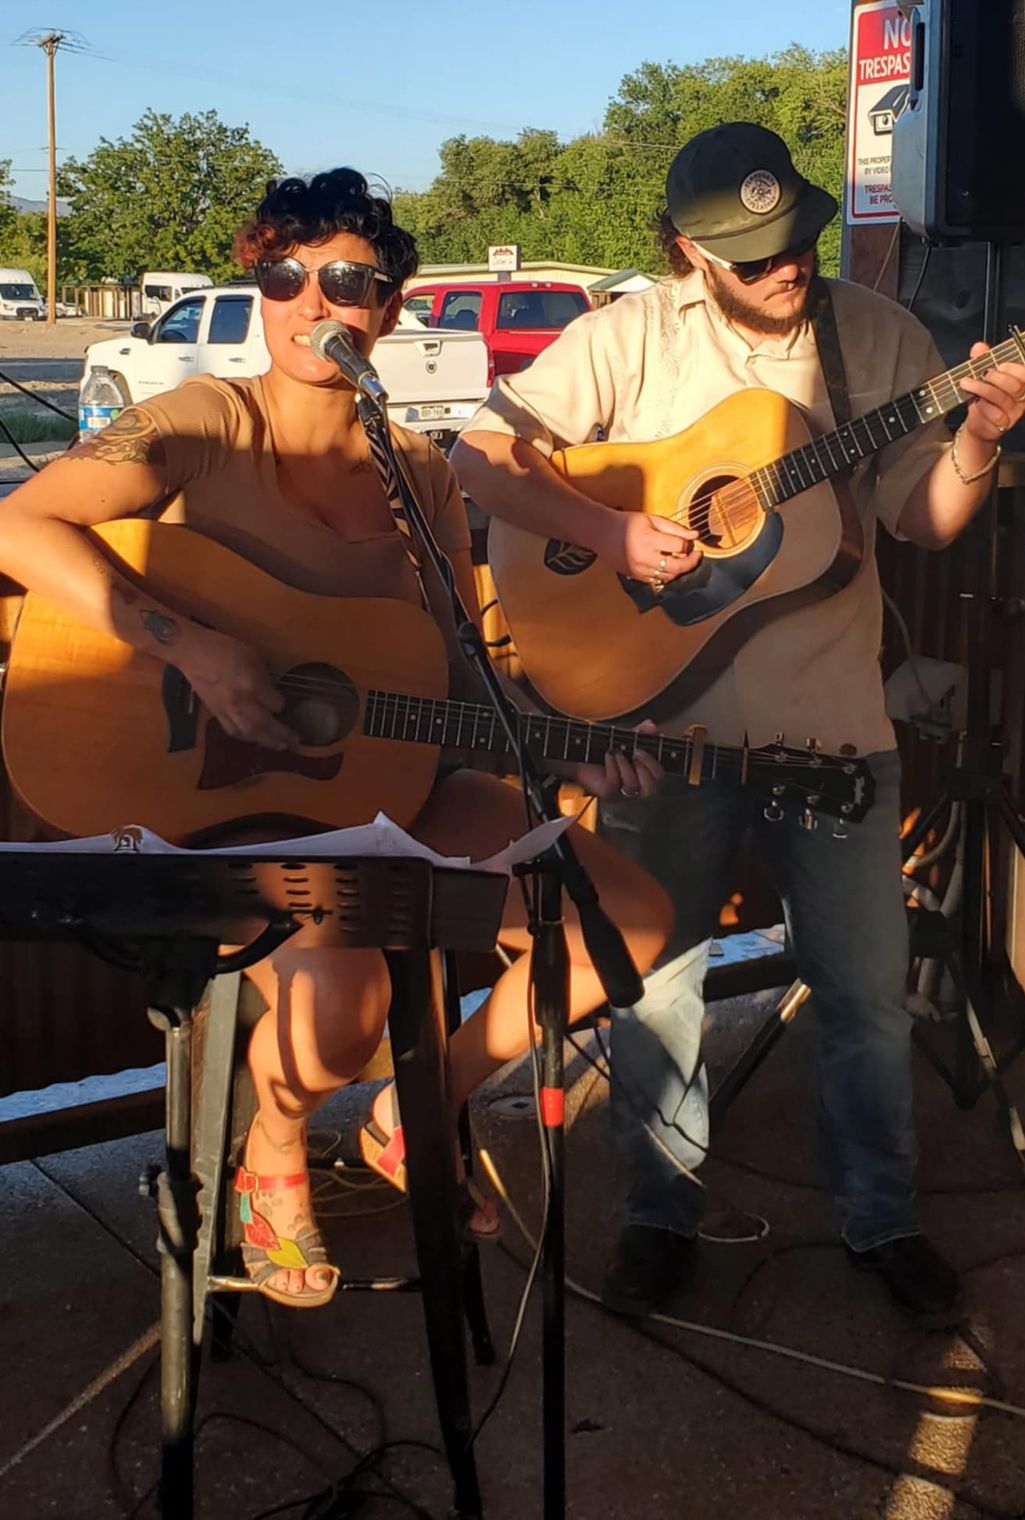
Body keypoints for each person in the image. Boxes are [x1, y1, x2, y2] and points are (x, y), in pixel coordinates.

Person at [0, 169, 671, 1308]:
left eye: (347, 281)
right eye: (283, 276)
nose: (311, 302)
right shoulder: (203, 421)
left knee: (630, 920)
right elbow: (23, 522)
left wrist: (566, 747)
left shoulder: (420, 475)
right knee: (345, 1014)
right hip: (225, 806)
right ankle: (273, 1144)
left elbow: (448, 671)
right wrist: (189, 646)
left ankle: (426, 1102)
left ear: (388, 310)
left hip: (385, 790)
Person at [449, 122, 1025, 1327]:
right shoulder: (627, 336)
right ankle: (660, 1214)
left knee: (865, 994)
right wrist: (611, 533)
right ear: (689, 250)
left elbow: (924, 520)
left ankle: (883, 1218)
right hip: (663, 732)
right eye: (754, 255)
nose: (787, 267)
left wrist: (978, 438)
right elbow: (478, 455)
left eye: (799, 240)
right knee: (656, 987)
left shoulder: (876, 336)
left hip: (834, 729)